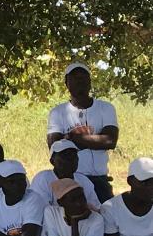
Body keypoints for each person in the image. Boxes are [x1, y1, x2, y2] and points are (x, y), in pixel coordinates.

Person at [47, 62, 118, 202]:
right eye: (74, 77)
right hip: (72, 179)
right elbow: (54, 146)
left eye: (83, 77)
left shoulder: (106, 108)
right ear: (66, 83)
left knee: (104, 218)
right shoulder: (58, 113)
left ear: (90, 82)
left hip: (100, 179)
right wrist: (95, 139)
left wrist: (72, 138)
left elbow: (110, 140)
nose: (80, 81)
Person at [30, 140, 100, 211]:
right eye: (65, 155)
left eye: (74, 155)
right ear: (52, 161)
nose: (71, 159)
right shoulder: (43, 179)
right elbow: (41, 210)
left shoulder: (84, 180)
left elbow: (95, 209)